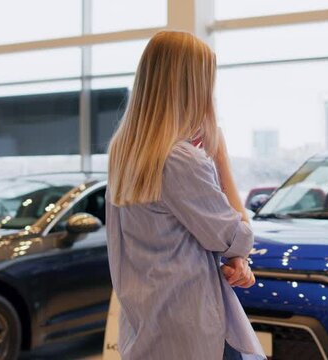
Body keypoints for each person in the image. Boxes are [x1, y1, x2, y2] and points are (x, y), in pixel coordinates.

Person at [105, 31, 265, 360]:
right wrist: (221, 159)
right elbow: (238, 236)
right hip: (196, 333)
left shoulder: (124, 154)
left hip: (148, 329)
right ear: (192, 87)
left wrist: (235, 256)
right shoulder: (181, 160)